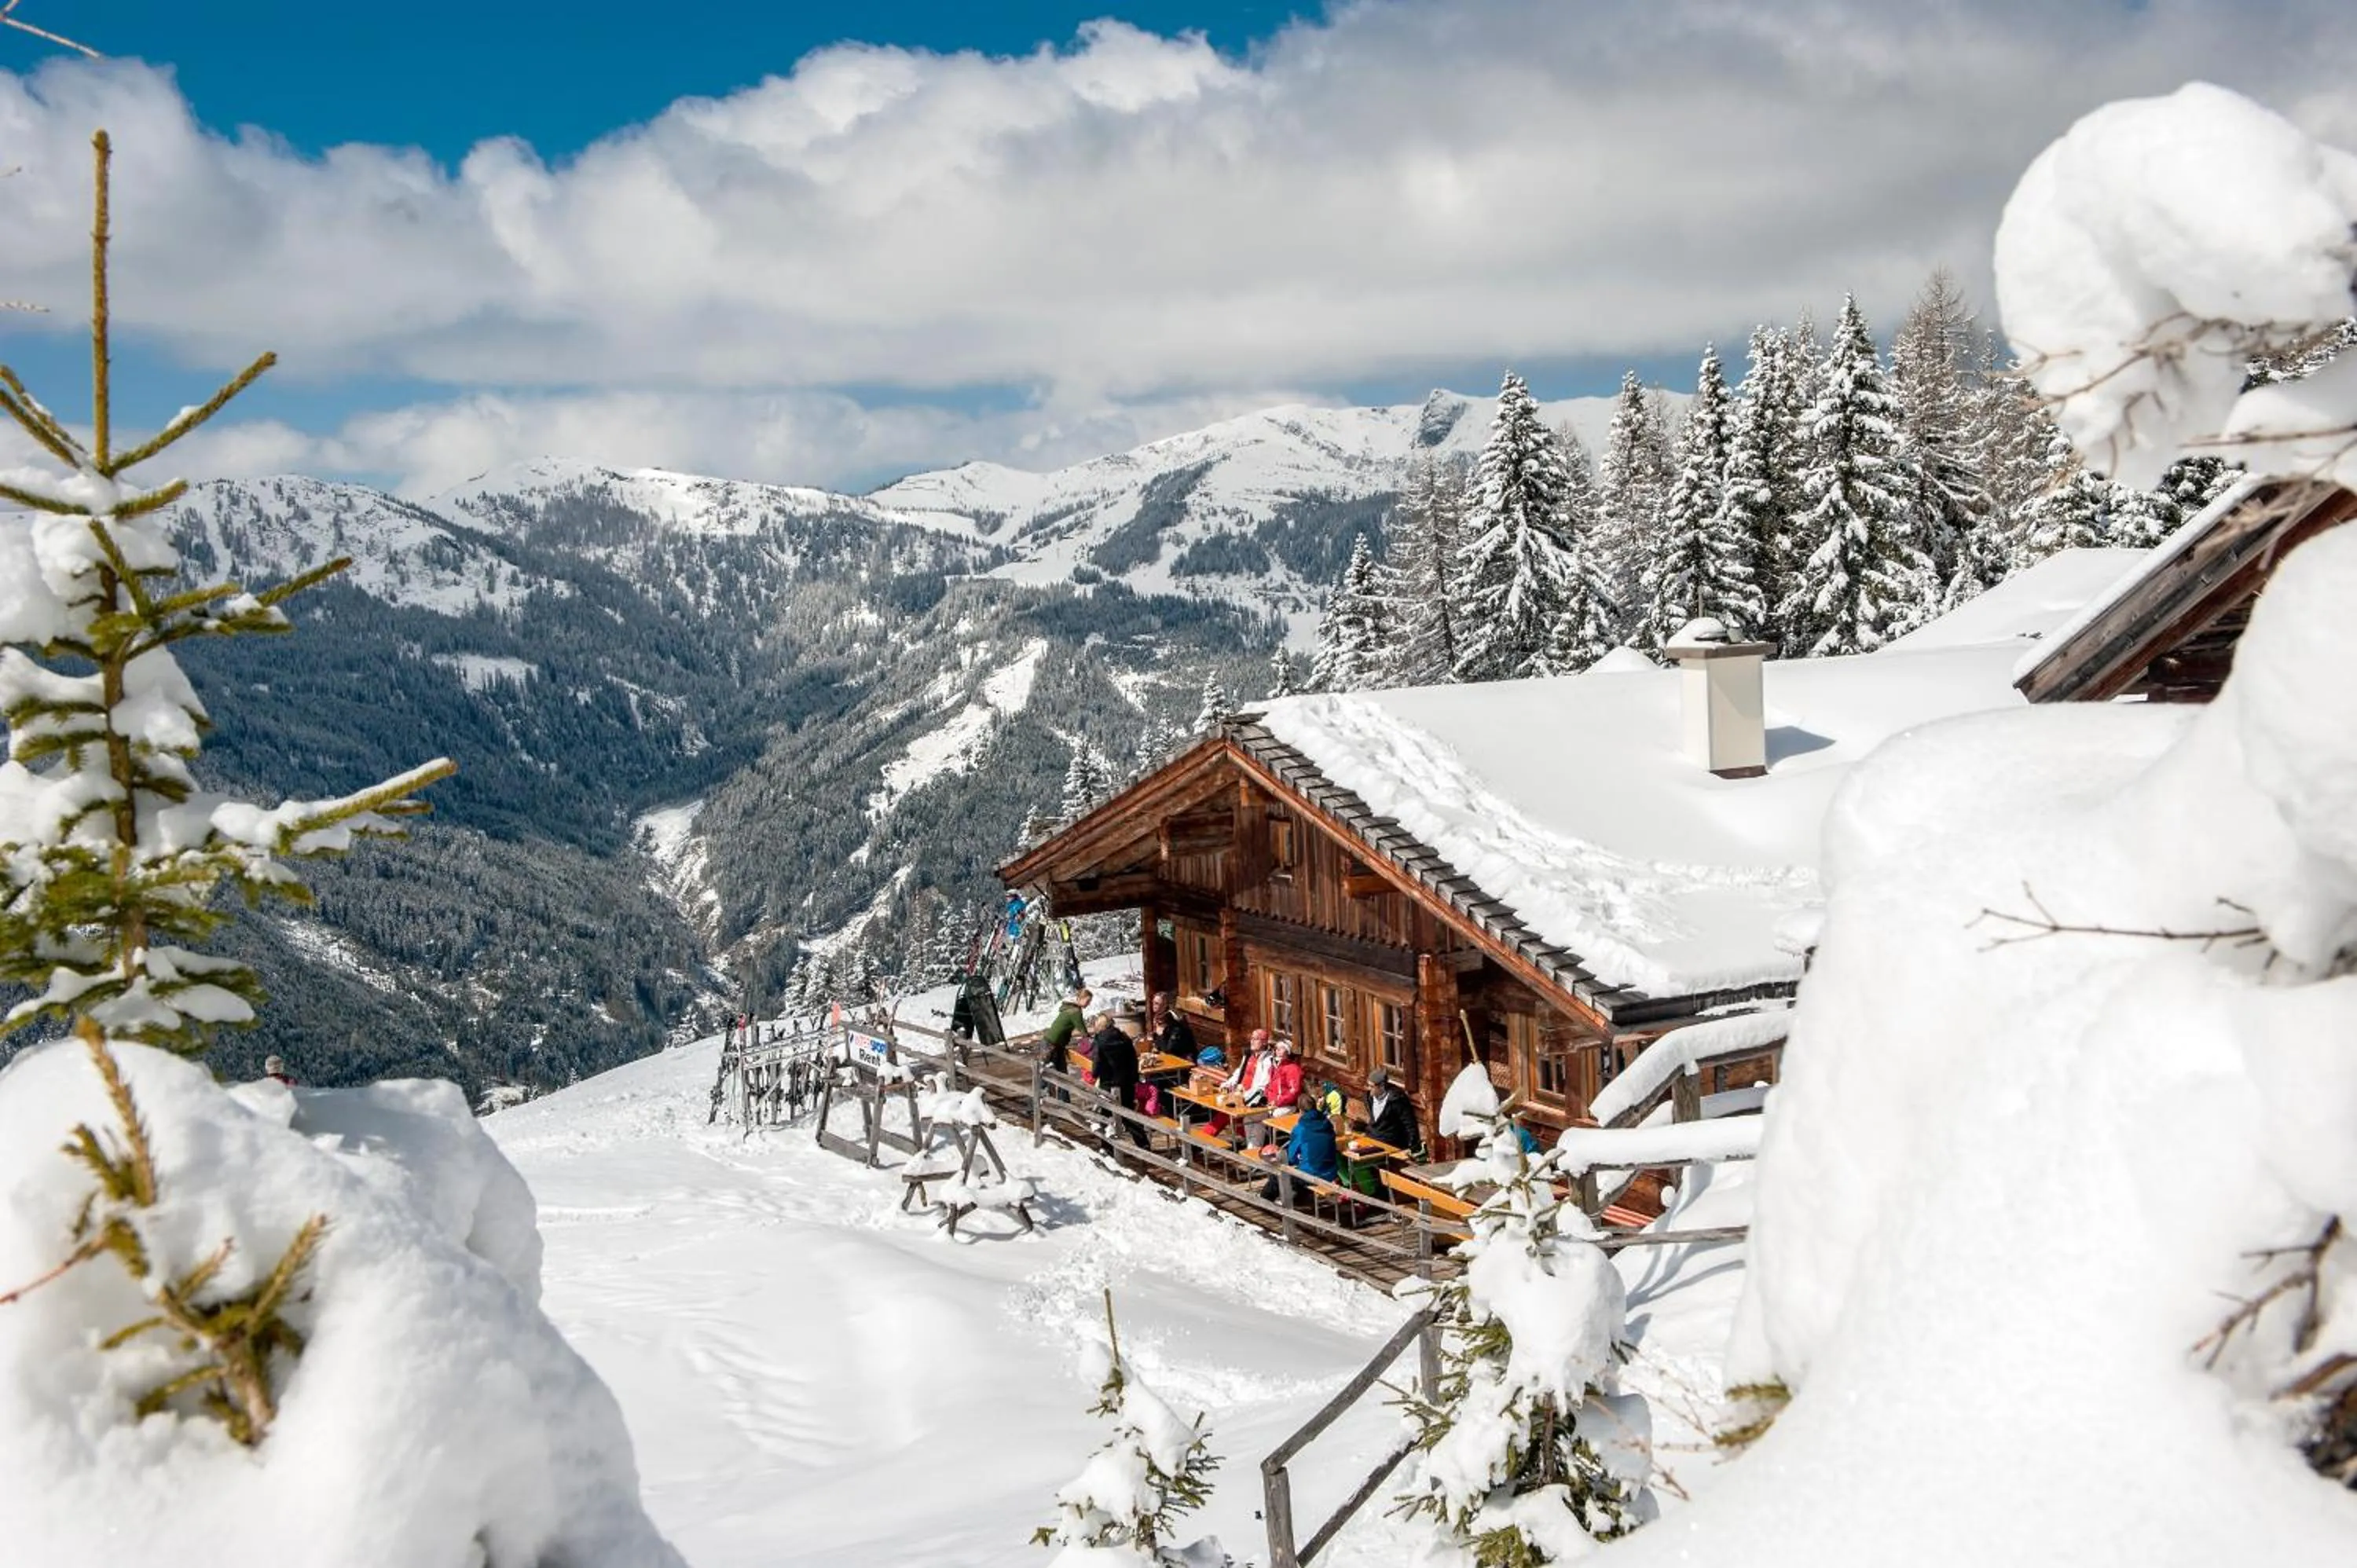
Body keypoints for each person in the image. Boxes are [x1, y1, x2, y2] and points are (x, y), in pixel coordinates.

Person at [1260, 1087, 1338, 1207]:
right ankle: (1300, 1199)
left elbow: (1290, 1158)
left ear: (1301, 1111)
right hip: (1330, 1172)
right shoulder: (1327, 1124)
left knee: (1278, 1173)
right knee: (1299, 1170)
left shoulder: (1301, 1129)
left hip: (1312, 1174)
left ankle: (1263, 1201)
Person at [1089, 1009, 1149, 1149]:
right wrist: (1134, 1077)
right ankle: (1143, 1142)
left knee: (1106, 1114)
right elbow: (1133, 1059)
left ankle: (1106, 1146)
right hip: (1126, 1082)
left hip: (1108, 1082)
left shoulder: (1100, 1041)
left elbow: (1097, 1061)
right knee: (1127, 1113)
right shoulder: (1125, 1038)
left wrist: (1094, 1074)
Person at [1148, 991, 1197, 1063]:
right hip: (1169, 1057)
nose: (1154, 1006)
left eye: (1157, 1004)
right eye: (1153, 1003)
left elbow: (1169, 1050)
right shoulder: (1158, 1019)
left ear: (1165, 1005)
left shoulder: (1174, 1023)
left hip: (1182, 1059)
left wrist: (1161, 1035)